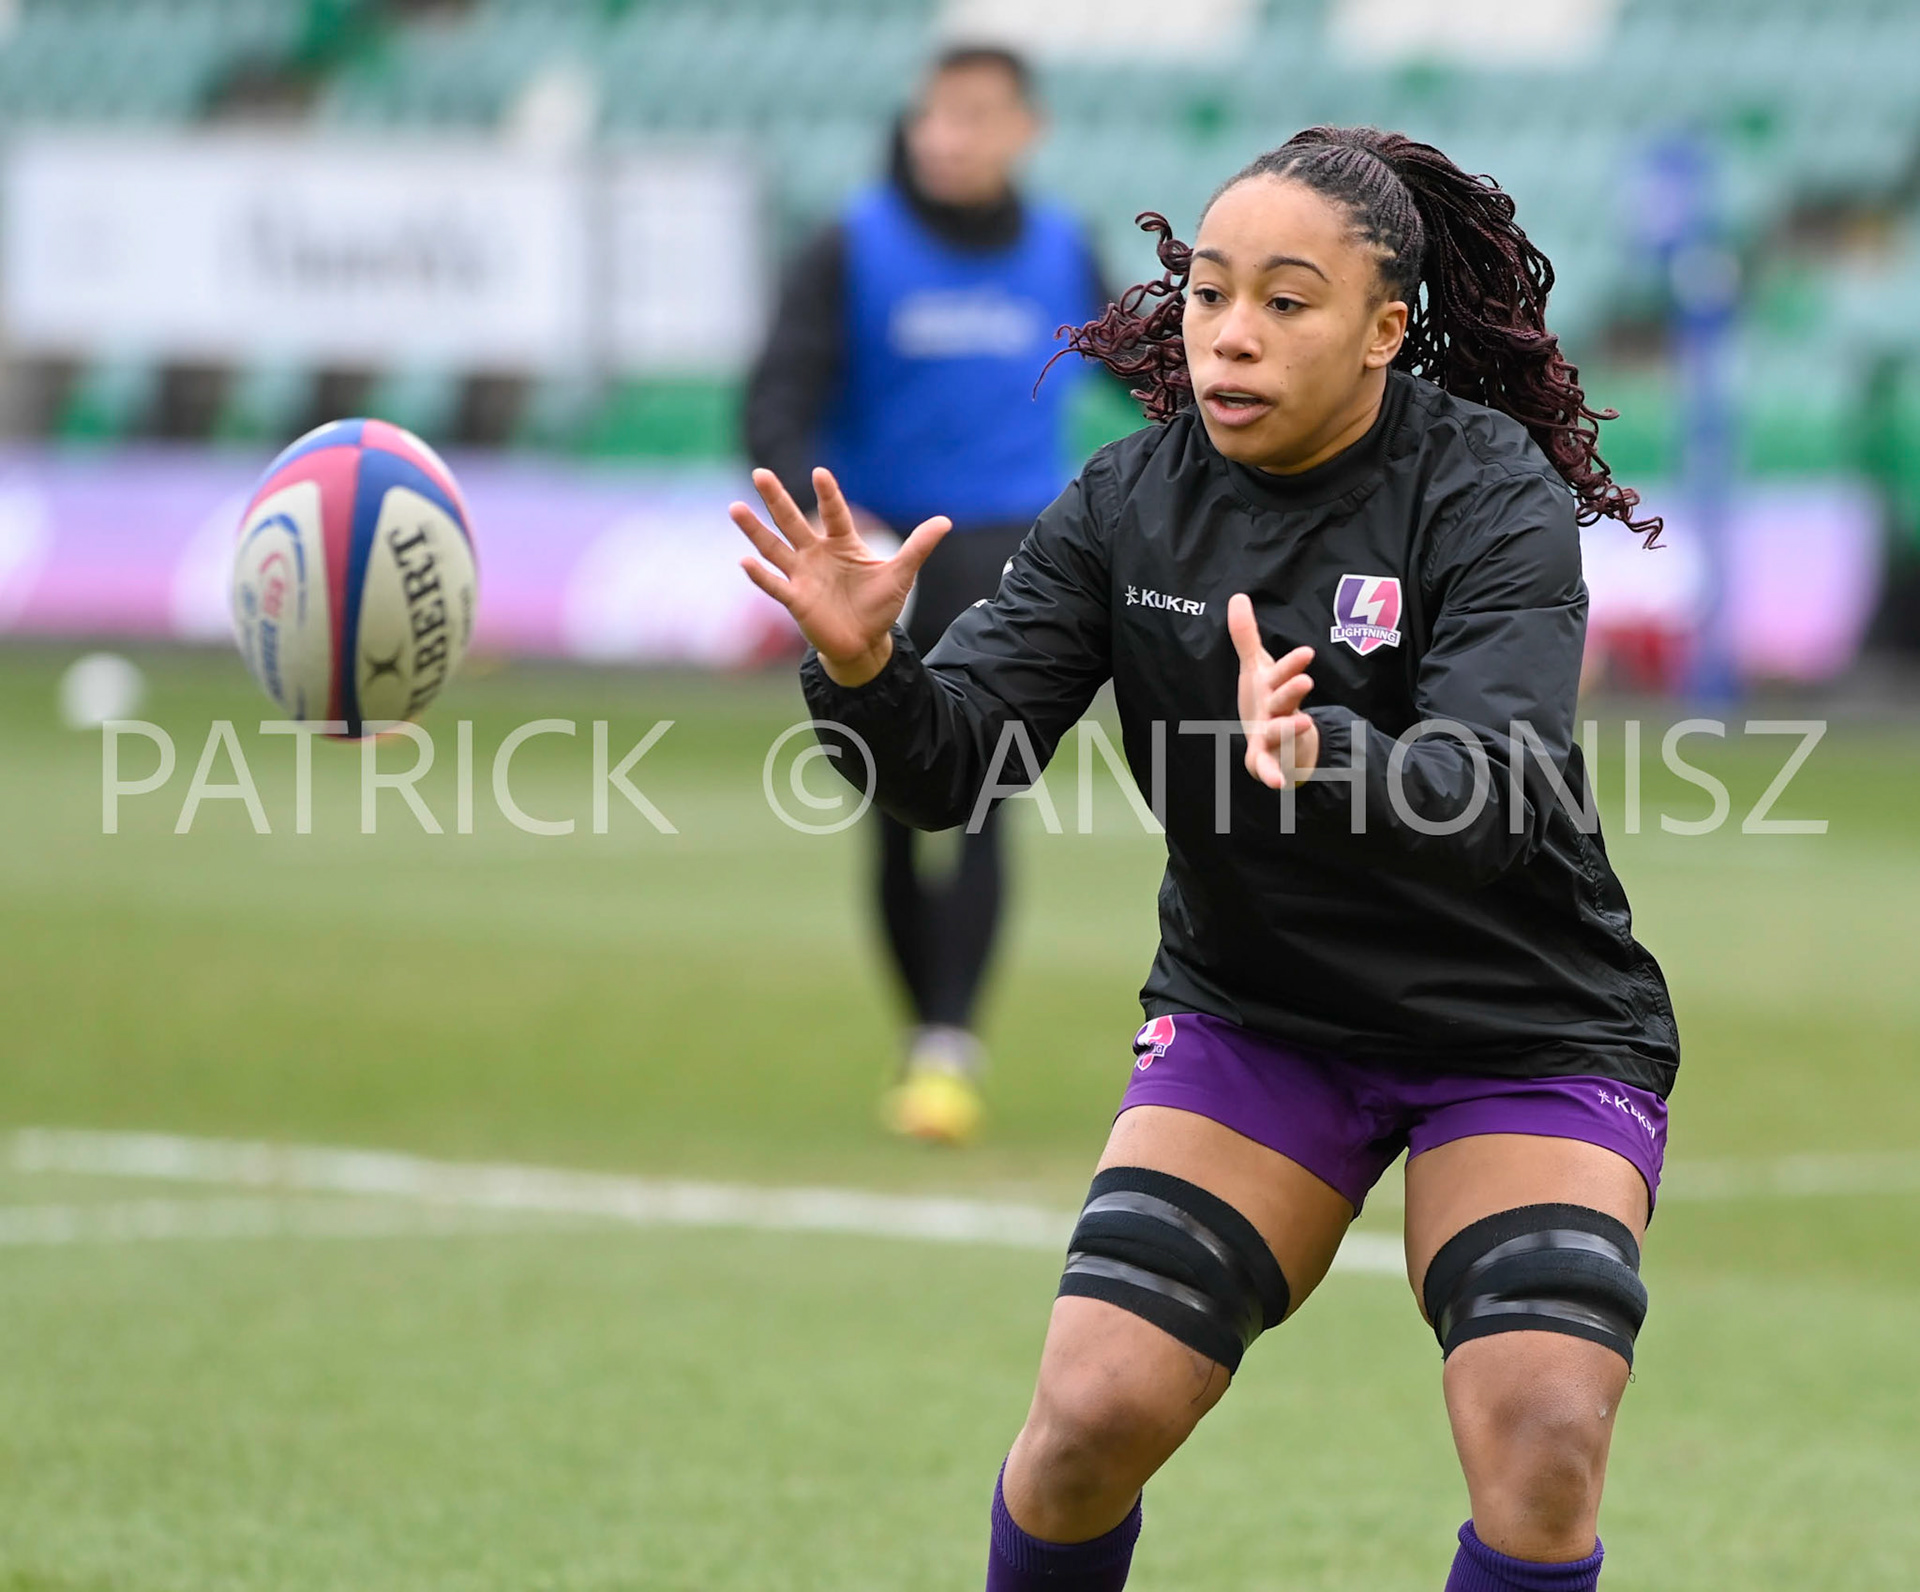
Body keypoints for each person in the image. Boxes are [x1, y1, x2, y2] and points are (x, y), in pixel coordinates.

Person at [732, 124, 1681, 1590]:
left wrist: (1326, 762)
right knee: (1086, 1422)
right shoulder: (1129, 505)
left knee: (1544, 1436)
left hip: (1525, 1029)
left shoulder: (1484, 492)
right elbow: (956, 768)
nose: (1232, 335)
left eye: (1286, 303)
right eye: (1208, 294)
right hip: (1263, 1017)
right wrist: (867, 674)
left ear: (1383, 329)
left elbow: (1496, 798)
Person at [743, 44, 1105, 1145]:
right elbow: (777, 397)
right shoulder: (849, 246)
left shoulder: (1065, 251)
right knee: (890, 808)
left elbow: (1166, 389)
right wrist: (822, 525)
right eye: (936, 116)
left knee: (989, 787)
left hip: (1009, 548)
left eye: (977, 117)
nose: (950, 136)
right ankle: (926, 1032)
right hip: (875, 554)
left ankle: (950, 1039)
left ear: (1025, 129)